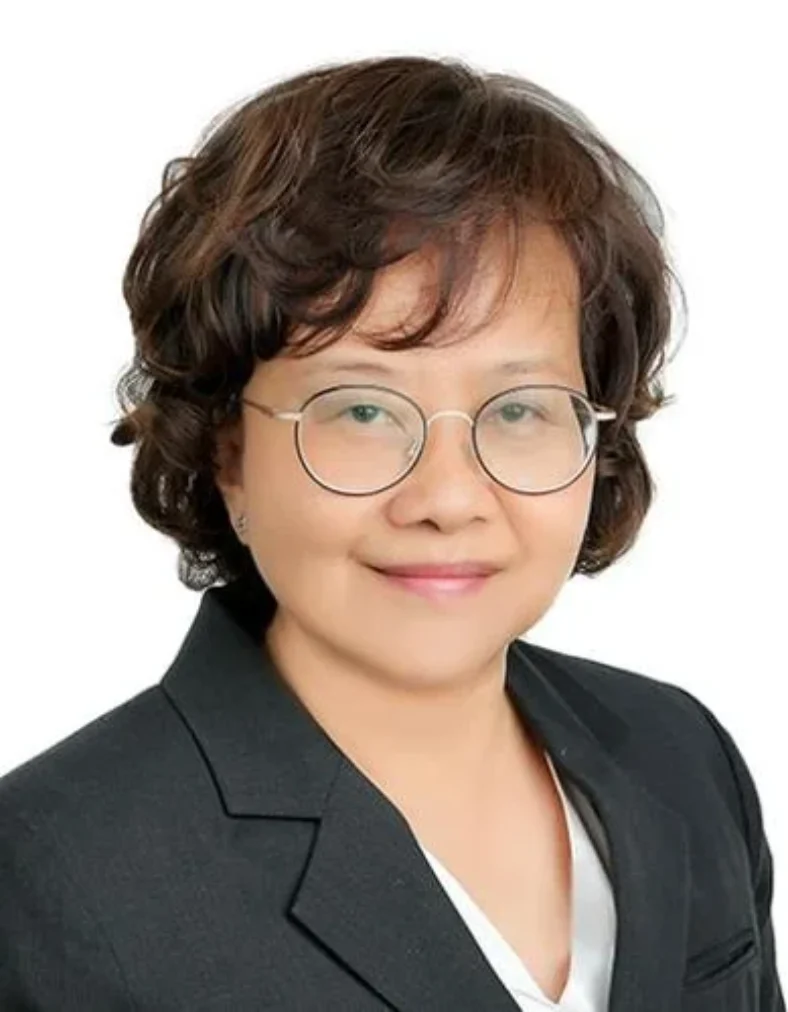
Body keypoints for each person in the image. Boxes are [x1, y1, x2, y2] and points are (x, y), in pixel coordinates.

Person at [0, 54, 782, 1012]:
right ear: (228, 450)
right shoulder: (54, 874)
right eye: (363, 411)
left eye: (520, 409)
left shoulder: (679, 753)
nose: (448, 498)